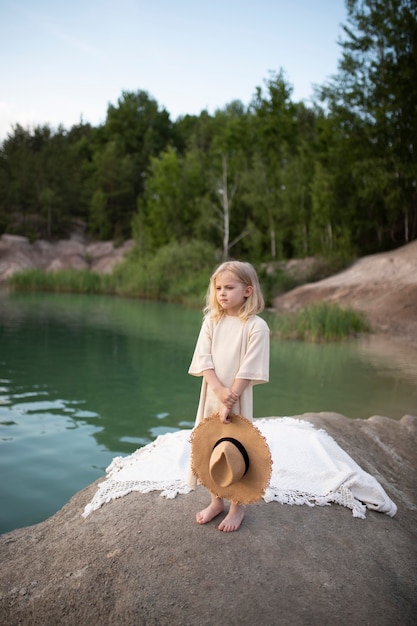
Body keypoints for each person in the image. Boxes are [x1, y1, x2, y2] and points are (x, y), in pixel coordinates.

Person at [188, 260, 270, 532]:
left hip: (238, 397)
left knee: (236, 449)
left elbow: (249, 366)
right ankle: (215, 501)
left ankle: (237, 506)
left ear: (247, 291)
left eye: (229, 287)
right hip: (213, 393)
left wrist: (231, 397)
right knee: (211, 446)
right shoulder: (212, 321)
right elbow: (203, 358)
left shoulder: (255, 326)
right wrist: (220, 392)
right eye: (218, 288)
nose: (222, 293)